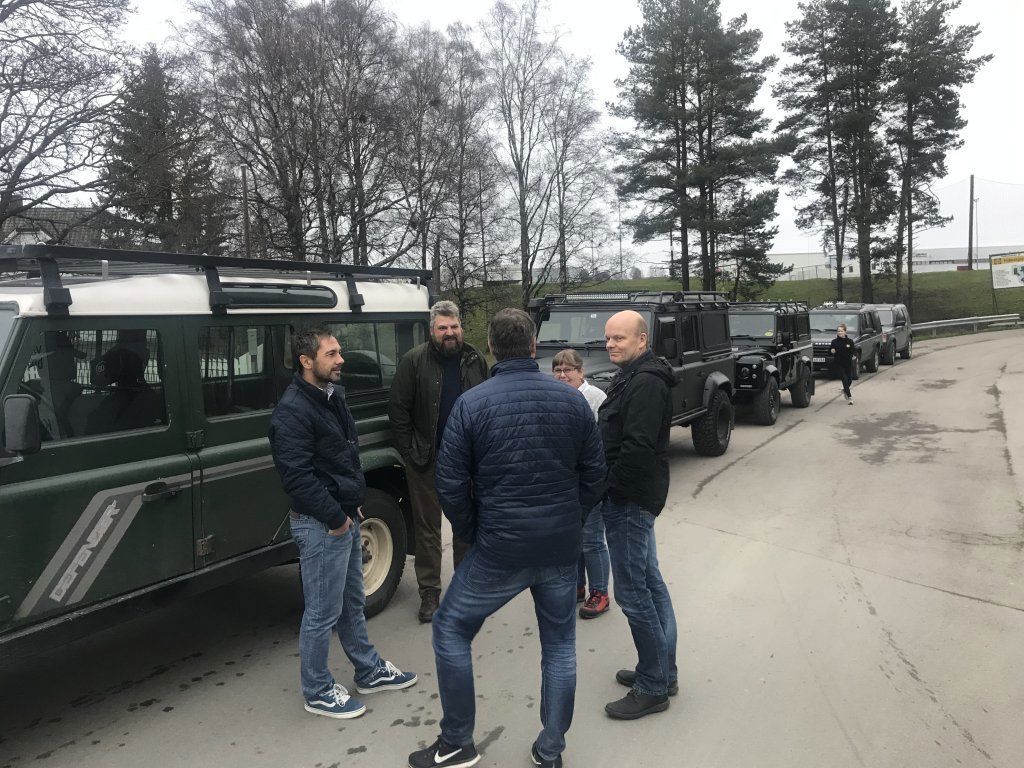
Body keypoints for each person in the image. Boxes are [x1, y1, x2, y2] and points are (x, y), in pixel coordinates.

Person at [408, 309, 605, 768]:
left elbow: (450, 485)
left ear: (492, 348)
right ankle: (551, 750)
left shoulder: (471, 404)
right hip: (558, 547)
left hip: (500, 548)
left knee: (450, 627)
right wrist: (569, 520)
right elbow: (595, 475)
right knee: (560, 646)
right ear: (534, 347)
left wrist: (474, 531)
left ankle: (456, 741)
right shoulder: (572, 401)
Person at [269, 325, 417, 720]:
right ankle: (317, 691)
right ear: (306, 361)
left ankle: (368, 671)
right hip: (321, 525)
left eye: (339, 352)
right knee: (322, 613)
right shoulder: (292, 412)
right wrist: (336, 517)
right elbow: (297, 479)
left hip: (343, 517)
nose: (341, 360)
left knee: (352, 603)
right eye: (331, 354)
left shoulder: (332, 396)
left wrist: (353, 505)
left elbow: (344, 457)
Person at [599, 310, 679, 720]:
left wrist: (608, 489)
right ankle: (663, 671)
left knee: (633, 593)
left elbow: (637, 448)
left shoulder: (645, 382)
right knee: (650, 583)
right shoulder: (632, 375)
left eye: (619, 338)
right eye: (608, 338)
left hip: (629, 501)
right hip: (634, 498)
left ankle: (652, 686)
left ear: (642, 340)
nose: (610, 344)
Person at [388, 301, 489, 623]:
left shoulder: (475, 359)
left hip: (468, 460)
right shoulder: (414, 361)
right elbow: (398, 410)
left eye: (454, 326)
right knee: (427, 529)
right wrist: (410, 453)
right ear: (432, 330)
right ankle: (430, 592)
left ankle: (464, 590)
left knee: (466, 525)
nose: (449, 333)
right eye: (442, 327)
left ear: (461, 327)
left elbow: (487, 404)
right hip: (426, 459)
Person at [552, 348, 611, 620]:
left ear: (580, 372)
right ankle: (577, 586)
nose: (562, 375)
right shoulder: (554, 397)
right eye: (558, 370)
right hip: (565, 483)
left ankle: (600, 592)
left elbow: (604, 441)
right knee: (572, 539)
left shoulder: (595, 397)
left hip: (590, 481)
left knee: (592, 539)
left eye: (568, 370)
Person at [829, 323, 856, 404]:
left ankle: (845, 389)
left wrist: (853, 355)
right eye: (838, 331)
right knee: (844, 379)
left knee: (849, 380)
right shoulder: (834, 342)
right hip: (839, 363)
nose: (840, 332)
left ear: (845, 332)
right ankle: (849, 397)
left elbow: (853, 351)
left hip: (848, 363)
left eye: (841, 331)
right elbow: (830, 351)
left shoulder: (849, 341)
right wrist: (832, 351)